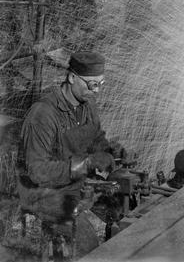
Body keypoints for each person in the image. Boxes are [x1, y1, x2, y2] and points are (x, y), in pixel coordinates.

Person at [17, 51, 117, 254]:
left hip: (74, 183)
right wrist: (84, 165)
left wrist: (109, 153)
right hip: (42, 192)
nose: (96, 91)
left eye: (101, 83)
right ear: (72, 78)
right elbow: (36, 171)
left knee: (121, 210)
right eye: (92, 84)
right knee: (86, 245)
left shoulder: (88, 104)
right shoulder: (43, 114)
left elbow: (96, 137)